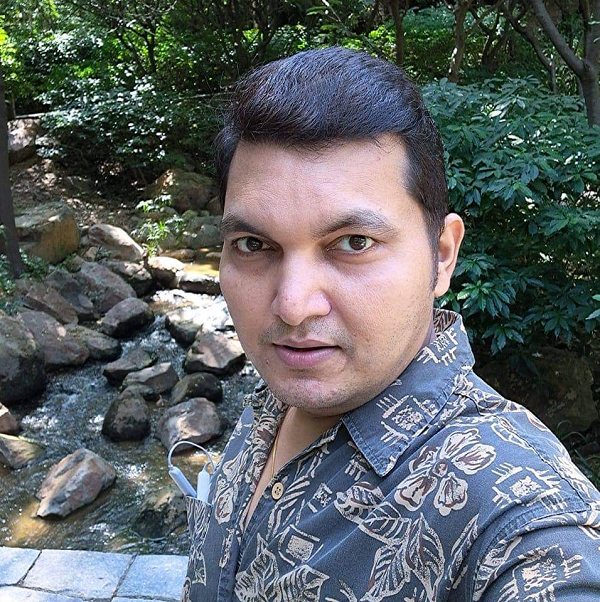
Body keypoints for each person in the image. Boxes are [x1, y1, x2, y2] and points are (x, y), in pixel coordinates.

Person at [180, 46, 600, 602]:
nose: (293, 306)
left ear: (442, 256)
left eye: (354, 243)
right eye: (254, 245)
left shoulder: (517, 514)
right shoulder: (280, 395)